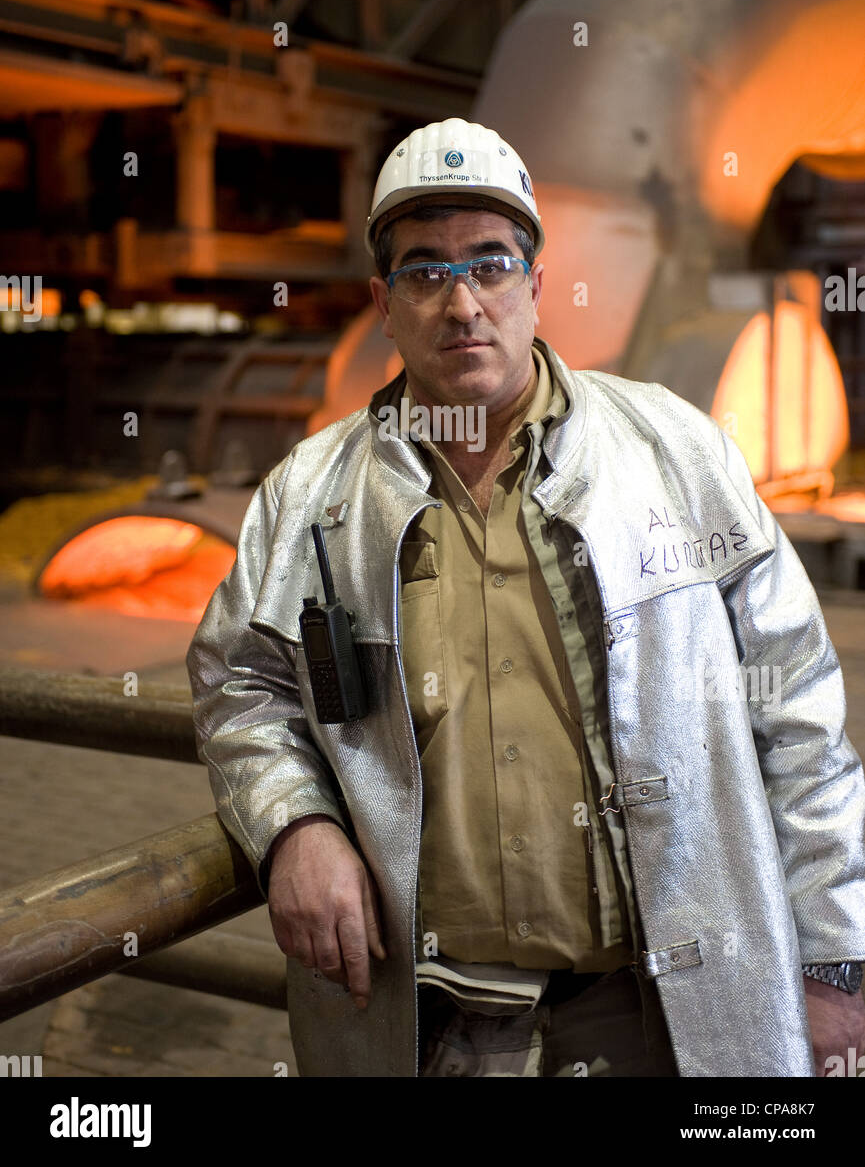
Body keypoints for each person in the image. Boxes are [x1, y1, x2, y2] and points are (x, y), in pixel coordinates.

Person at [187, 117, 865, 1078]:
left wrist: (834, 963)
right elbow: (239, 681)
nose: (462, 303)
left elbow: (795, 708)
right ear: (382, 302)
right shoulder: (309, 496)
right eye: (424, 270)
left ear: (536, 287)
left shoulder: (674, 452)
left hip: (657, 1017)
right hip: (439, 1026)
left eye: (491, 264)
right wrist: (293, 823)